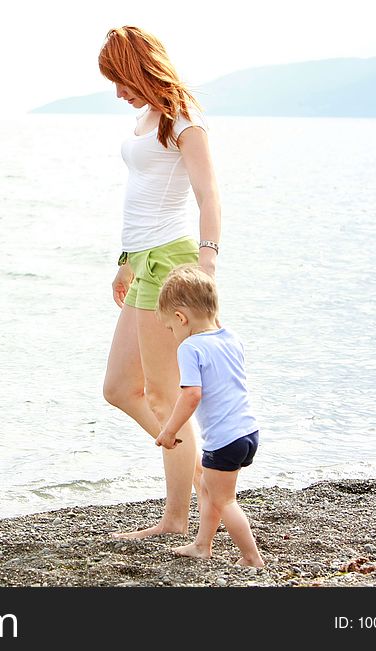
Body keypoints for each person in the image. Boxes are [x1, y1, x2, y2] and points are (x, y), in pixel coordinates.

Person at [99, 26, 221, 538]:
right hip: (143, 261)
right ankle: (201, 482)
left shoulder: (182, 117)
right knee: (120, 388)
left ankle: (176, 518)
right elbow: (143, 194)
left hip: (173, 263)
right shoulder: (146, 118)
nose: (118, 91)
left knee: (164, 398)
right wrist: (125, 259)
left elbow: (208, 192)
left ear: (139, 67)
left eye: (120, 79)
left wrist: (207, 261)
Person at [155, 264, 264, 567]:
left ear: (180, 318)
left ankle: (251, 557)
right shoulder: (231, 338)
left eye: (170, 328)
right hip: (247, 433)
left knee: (224, 500)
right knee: (208, 488)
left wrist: (169, 430)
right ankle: (202, 545)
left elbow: (191, 395)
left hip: (224, 440)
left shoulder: (190, 348)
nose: (173, 334)